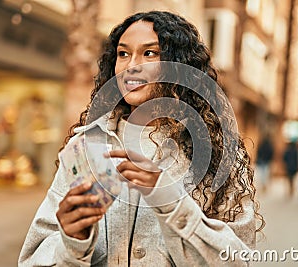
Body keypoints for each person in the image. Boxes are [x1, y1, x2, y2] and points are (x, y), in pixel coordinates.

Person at [18, 11, 264, 266]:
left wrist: (173, 203)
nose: (131, 65)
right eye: (123, 53)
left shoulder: (216, 153)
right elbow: (32, 259)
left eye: (149, 53)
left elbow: (239, 260)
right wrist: (73, 242)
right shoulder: (85, 146)